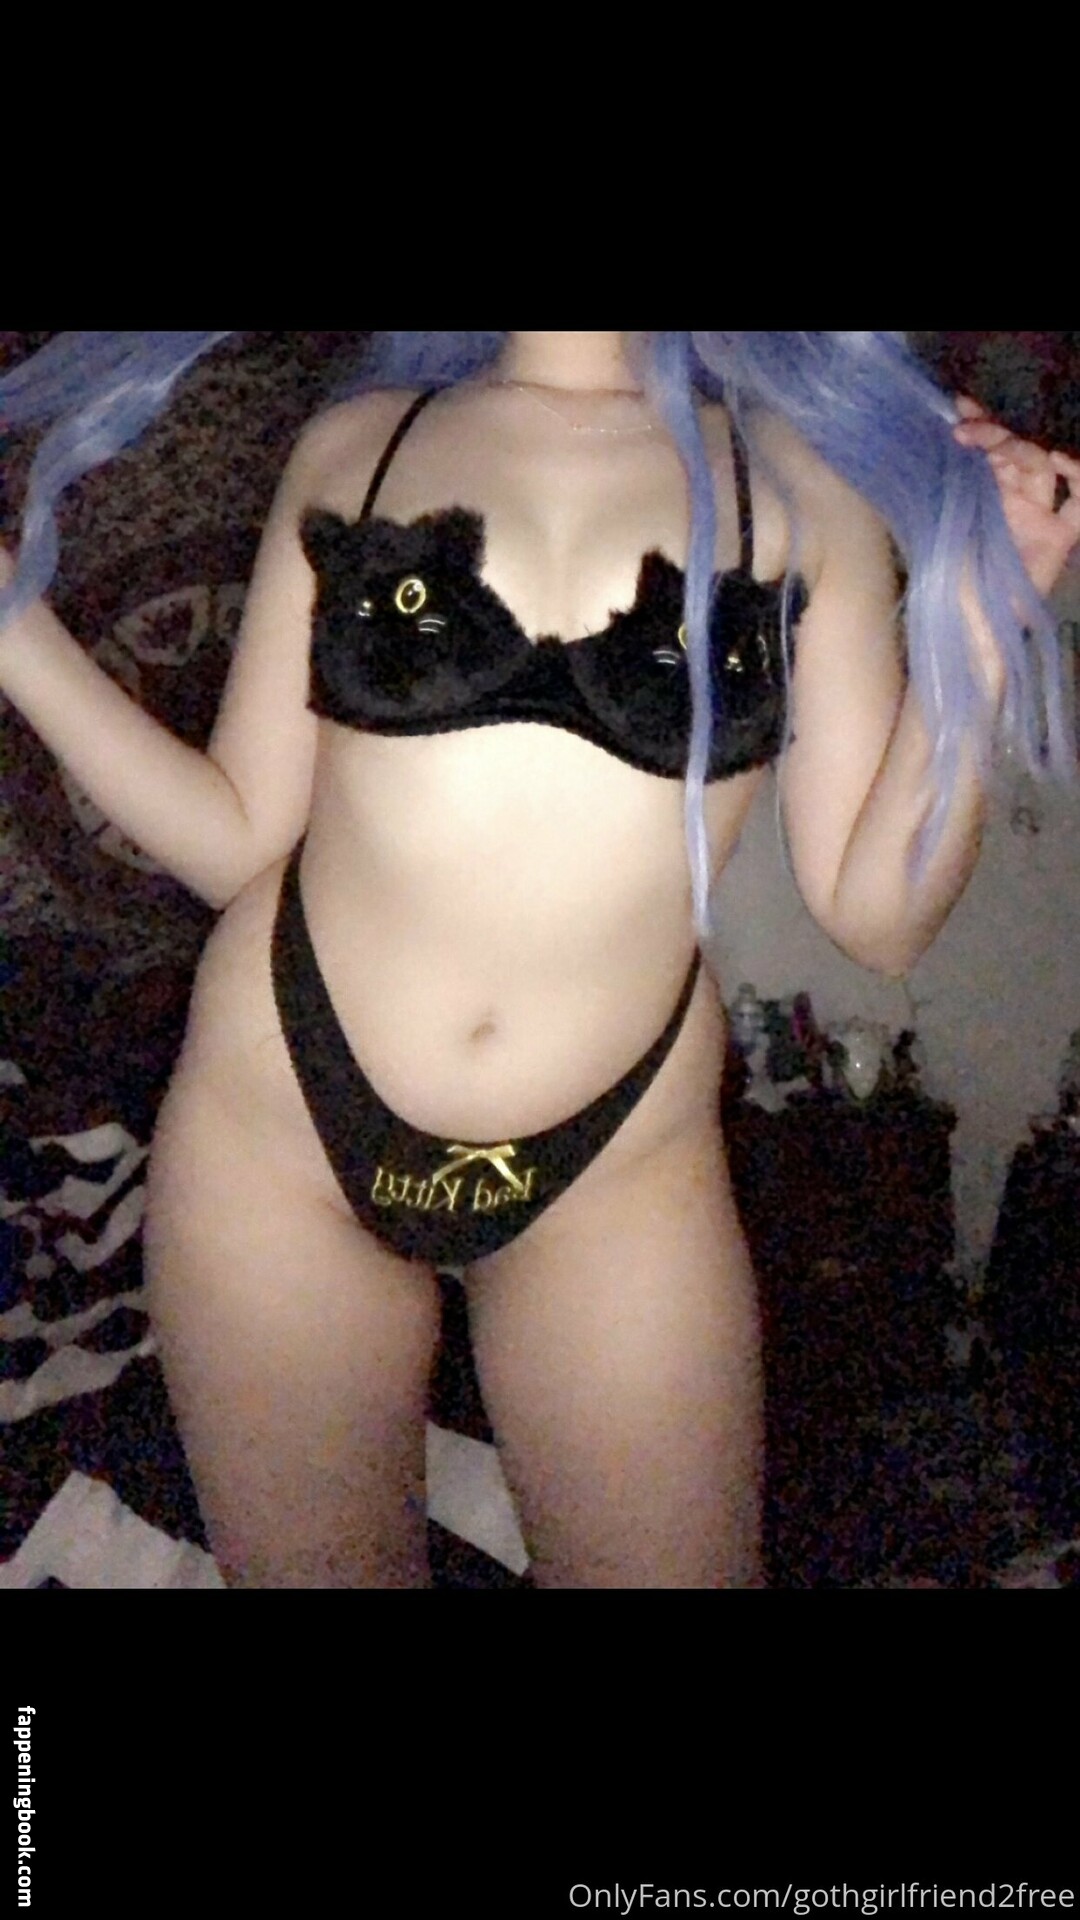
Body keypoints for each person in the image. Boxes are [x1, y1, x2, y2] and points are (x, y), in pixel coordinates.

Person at [1, 330, 1077, 1588]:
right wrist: (14, 633)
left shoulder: (800, 488)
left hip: (613, 1164)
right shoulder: (361, 444)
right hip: (281, 1123)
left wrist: (986, 615)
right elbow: (239, 834)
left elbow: (878, 916)